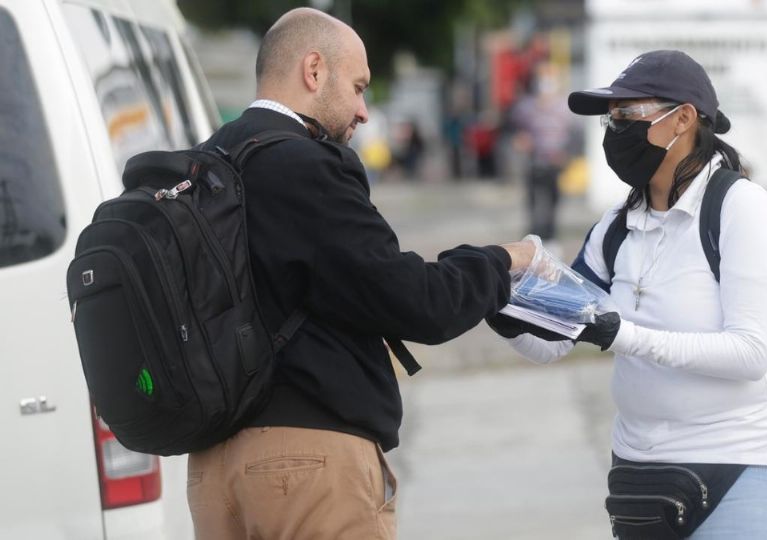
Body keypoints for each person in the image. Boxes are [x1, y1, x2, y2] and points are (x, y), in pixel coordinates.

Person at [185, 9, 536, 540]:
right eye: (358, 87)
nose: (363, 111)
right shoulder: (303, 164)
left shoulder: (204, 163)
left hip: (212, 470)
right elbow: (415, 302)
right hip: (307, 461)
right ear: (313, 71)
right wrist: (503, 261)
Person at [488, 50, 767, 539]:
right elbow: (556, 341)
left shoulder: (742, 209)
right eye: (611, 119)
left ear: (685, 119)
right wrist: (504, 309)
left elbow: (749, 354)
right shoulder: (617, 225)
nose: (616, 130)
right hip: (638, 473)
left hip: (736, 465)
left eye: (630, 114)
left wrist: (622, 335)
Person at [509, 62, 574, 249]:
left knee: (553, 200)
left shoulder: (564, 106)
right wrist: (519, 138)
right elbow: (512, 127)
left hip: (555, 162)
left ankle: (551, 237)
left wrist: (566, 153)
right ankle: (533, 240)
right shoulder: (526, 107)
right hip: (534, 162)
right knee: (534, 202)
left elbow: (574, 133)